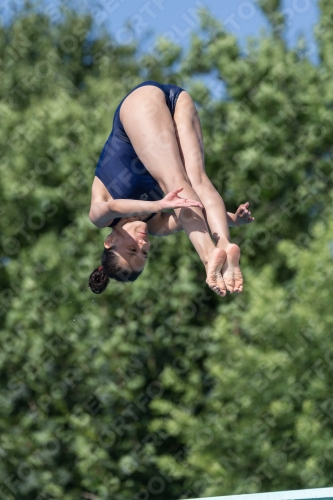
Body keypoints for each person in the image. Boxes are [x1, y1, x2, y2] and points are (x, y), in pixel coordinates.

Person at [88, 81, 254, 296]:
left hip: (140, 106)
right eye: (145, 252)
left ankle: (208, 257)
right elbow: (197, 212)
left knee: (175, 181)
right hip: (178, 100)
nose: (143, 243)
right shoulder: (156, 225)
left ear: (110, 241)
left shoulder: (100, 218)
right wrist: (233, 220)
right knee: (198, 181)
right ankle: (223, 244)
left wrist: (159, 204)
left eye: (132, 249)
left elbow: (113, 206)